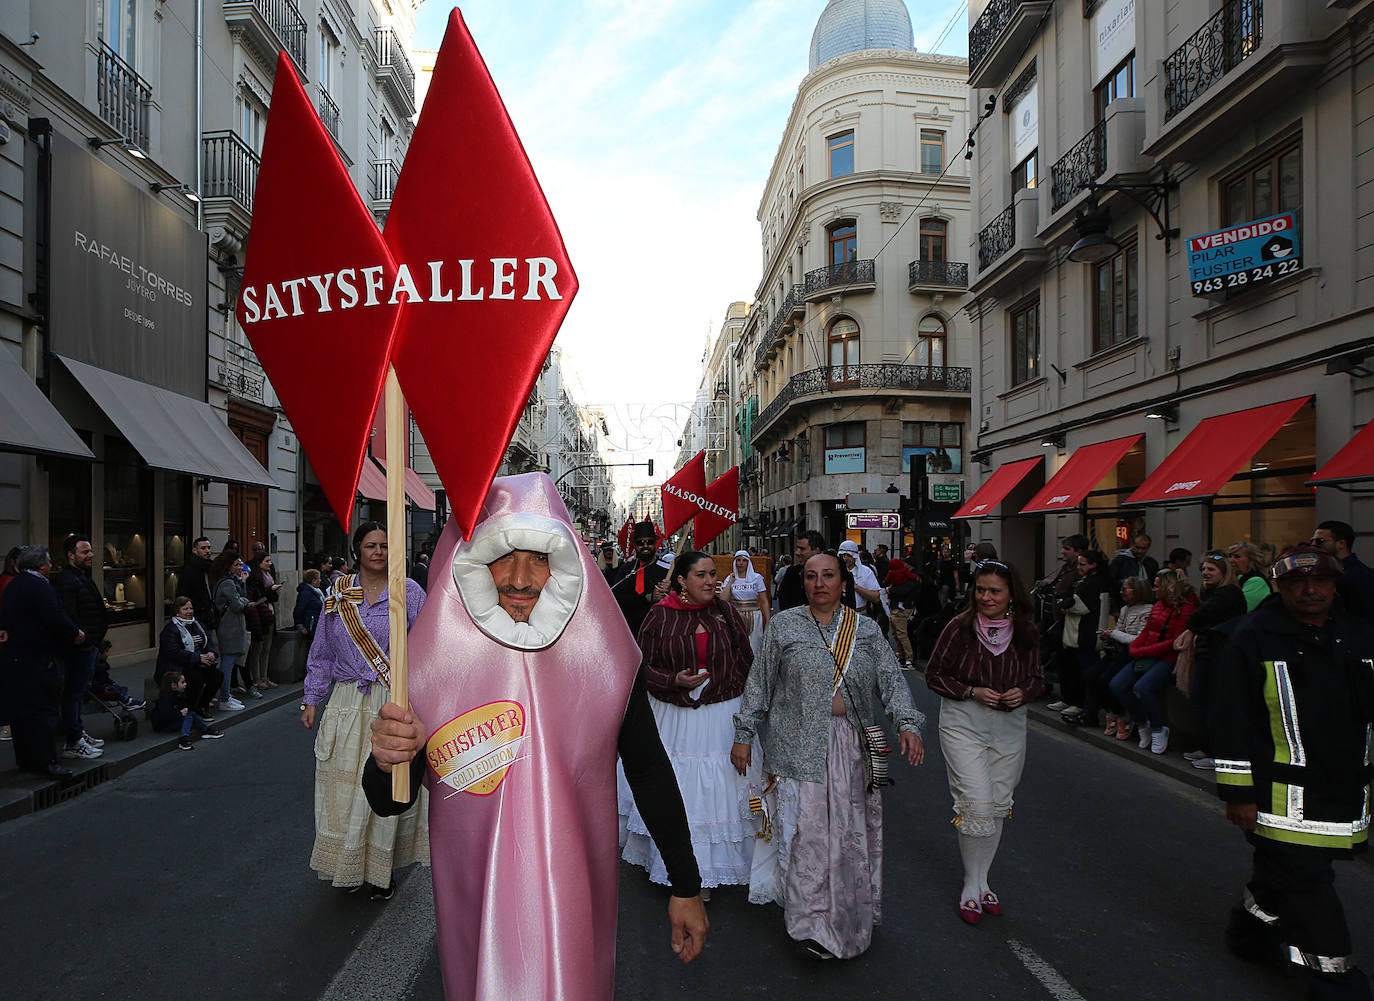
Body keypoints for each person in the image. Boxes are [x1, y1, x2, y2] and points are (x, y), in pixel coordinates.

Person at [364, 473, 707, 1001]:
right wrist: (387, 761)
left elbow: (646, 766)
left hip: (573, 899)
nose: (522, 579)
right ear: (473, 560)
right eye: (505, 556)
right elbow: (389, 800)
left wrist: (685, 885)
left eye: (540, 558)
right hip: (477, 907)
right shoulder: (427, 663)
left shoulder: (608, 657)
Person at [731, 551, 925, 960]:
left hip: (850, 750)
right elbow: (760, 683)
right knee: (806, 838)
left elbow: (890, 681)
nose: (820, 583)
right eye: (812, 576)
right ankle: (807, 925)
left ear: (843, 581)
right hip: (797, 746)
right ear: (803, 583)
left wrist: (907, 723)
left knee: (847, 839)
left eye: (829, 576)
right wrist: (745, 733)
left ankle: (848, 920)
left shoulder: (866, 631)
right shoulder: (785, 626)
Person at [1212, 545, 1373, 1001]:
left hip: (1343, 794)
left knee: (1279, 880)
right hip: (1281, 799)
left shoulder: (1358, 635)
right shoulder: (1252, 637)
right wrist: (1237, 793)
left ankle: (1249, 934)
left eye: (1321, 581)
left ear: (1334, 585)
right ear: (1280, 587)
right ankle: (1336, 982)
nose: (1310, 590)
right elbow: (1231, 720)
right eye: (1298, 582)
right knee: (1309, 888)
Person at [302, 520, 428, 898]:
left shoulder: (409, 592)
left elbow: (426, 648)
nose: (378, 551)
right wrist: (311, 698)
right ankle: (346, 863)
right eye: (371, 545)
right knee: (343, 792)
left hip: (390, 701)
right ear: (358, 549)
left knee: (382, 787)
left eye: (386, 545)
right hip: (344, 703)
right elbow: (321, 651)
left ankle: (380, 870)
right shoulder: (338, 594)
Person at [621, 550, 756, 893]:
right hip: (675, 719)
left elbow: (747, 661)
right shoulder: (659, 616)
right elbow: (640, 666)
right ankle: (684, 873)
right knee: (679, 789)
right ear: (681, 580)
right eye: (701, 575)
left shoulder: (726, 613)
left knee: (720, 792)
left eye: (713, 574)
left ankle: (716, 868)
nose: (711, 581)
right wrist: (673, 681)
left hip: (722, 715)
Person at [924, 558, 1043, 924]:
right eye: (981, 590)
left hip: (1009, 727)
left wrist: (1021, 693)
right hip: (964, 722)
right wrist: (972, 690)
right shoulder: (958, 629)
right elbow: (933, 674)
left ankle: (982, 879)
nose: (986, 597)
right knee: (976, 801)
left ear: (1011, 595)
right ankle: (970, 884)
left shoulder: (1027, 632)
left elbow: (1038, 679)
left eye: (995, 591)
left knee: (997, 805)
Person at [0, 547, 84, 776]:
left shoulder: (14, 584)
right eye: (48, 562)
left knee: (23, 713)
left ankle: (26, 760)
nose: (51, 566)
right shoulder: (40, 587)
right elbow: (55, 616)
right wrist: (75, 632)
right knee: (44, 712)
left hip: (16, 658)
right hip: (40, 659)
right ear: (41, 566)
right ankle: (46, 762)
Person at [1108, 569, 1199, 755]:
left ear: (1168, 587)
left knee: (1143, 687)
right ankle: (1142, 723)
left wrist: (1142, 650)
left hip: (1167, 657)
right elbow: (1146, 631)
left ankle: (1158, 729)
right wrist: (1136, 649)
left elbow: (1175, 641)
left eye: (1157, 586)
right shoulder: (1158, 605)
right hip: (1146, 654)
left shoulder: (1186, 608)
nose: (1154, 589)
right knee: (1117, 685)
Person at [1174, 552, 1247, 771]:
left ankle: (1217, 752)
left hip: (1221, 655)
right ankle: (1207, 748)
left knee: (1213, 704)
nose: (1205, 573)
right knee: (1201, 701)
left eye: (1211, 570)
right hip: (1209, 652)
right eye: (1204, 569)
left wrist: (1196, 625)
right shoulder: (1214, 593)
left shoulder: (1228, 594)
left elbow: (1196, 617)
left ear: (1224, 573)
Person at [53, 534, 108, 761]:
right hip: (79, 648)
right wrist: (83, 639)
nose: (90, 555)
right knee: (73, 694)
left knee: (78, 693)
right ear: (70, 555)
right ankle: (73, 741)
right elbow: (69, 615)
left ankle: (78, 733)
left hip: (89, 645)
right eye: (85, 552)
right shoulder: (68, 580)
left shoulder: (81, 577)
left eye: (90, 551)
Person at [1087, 577, 1154, 738]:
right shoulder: (1125, 609)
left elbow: (1137, 639)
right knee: (1090, 675)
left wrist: (1114, 634)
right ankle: (1109, 712)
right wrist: (1108, 636)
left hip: (1131, 654)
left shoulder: (1148, 610)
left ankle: (1121, 714)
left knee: (1107, 680)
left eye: (1125, 589)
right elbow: (1120, 631)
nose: (1121, 592)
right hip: (1117, 651)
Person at [1052, 549, 1110, 721]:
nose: (1079, 567)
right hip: (1081, 633)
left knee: (1087, 672)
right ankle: (1082, 705)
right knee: (1079, 670)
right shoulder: (1089, 580)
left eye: (1082, 564)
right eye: (1078, 564)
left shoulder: (1094, 582)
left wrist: (1067, 601)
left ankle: (1087, 709)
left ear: (1094, 565)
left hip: (1086, 633)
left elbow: (1082, 606)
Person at [155, 596, 223, 719]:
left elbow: (209, 642)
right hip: (177, 666)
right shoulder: (170, 629)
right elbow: (174, 653)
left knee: (217, 676)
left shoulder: (198, 624)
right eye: (185, 609)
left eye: (191, 608)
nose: (189, 611)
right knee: (196, 678)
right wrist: (198, 658)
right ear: (177, 611)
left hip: (197, 662)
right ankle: (191, 708)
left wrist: (211, 653)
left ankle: (202, 705)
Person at [609, 520, 669, 638]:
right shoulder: (626, 569)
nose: (645, 546)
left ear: (656, 543)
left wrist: (669, 591)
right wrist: (648, 597)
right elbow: (616, 598)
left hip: (659, 633)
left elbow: (681, 597)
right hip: (629, 632)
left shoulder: (667, 570)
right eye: (641, 543)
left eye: (649, 542)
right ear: (635, 545)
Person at [1312, 520, 1374, 619]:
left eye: (1320, 541)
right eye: (1312, 540)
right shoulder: (1327, 570)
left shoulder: (1360, 576)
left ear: (1341, 543)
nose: (1313, 545)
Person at [211, 554, 250, 712]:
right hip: (229, 627)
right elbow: (238, 604)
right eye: (237, 565)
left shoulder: (231, 581)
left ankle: (226, 695)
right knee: (227, 664)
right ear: (228, 566)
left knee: (229, 663)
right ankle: (224, 698)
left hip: (231, 626)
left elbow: (240, 598)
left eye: (241, 565)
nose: (240, 568)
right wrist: (245, 601)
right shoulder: (227, 583)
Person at [150, 670, 225, 750]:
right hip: (163, 725)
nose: (185, 684)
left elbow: (183, 707)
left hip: (172, 720)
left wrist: (184, 711)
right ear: (174, 685)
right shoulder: (166, 699)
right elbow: (165, 715)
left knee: (190, 714)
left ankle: (206, 730)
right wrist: (180, 713)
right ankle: (184, 738)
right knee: (188, 717)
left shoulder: (178, 695)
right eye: (182, 682)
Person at [721, 550, 771, 657]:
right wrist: (730, 582)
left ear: (748, 562)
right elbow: (723, 599)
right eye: (738, 560)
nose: (741, 563)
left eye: (744, 560)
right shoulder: (730, 579)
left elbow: (764, 600)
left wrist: (768, 620)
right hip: (736, 615)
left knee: (754, 644)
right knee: (737, 644)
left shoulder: (756, 578)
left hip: (754, 615)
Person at [245, 553, 281, 693]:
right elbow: (256, 596)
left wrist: (273, 591)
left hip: (268, 613)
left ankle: (265, 677)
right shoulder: (253, 578)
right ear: (259, 563)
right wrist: (269, 590)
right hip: (258, 616)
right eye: (267, 561)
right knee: (257, 649)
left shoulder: (269, 576)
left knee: (266, 648)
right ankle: (257, 678)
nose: (270, 564)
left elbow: (273, 598)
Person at [884, 556, 921, 670]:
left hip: (900, 608)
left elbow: (903, 591)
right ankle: (903, 657)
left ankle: (907, 659)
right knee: (897, 634)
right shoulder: (907, 576)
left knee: (901, 634)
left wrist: (890, 590)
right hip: (898, 606)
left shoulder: (909, 579)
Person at [776, 530, 826, 611]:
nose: (797, 552)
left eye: (802, 549)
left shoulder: (833, 574)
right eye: (797, 548)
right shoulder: (792, 573)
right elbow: (784, 603)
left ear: (816, 551)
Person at [1108, 533, 1160, 606]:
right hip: (1123, 602)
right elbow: (1111, 584)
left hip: (1146, 602)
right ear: (1131, 545)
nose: (1140, 551)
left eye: (1143, 548)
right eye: (1137, 547)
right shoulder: (1119, 561)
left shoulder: (1151, 563)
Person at [183, 536, 217, 630]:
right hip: (197, 616)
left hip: (211, 616)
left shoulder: (211, 567)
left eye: (209, 548)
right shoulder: (190, 570)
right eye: (203, 548)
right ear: (195, 550)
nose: (207, 551)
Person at [837, 539, 881, 613]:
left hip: (860, 614)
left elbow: (876, 598)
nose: (845, 558)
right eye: (843, 555)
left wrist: (856, 587)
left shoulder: (866, 572)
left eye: (849, 555)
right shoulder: (834, 572)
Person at [1228, 542, 1273, 611]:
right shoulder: (1239, 578)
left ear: (1252, 561)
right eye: (1230, 556)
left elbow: (1238, 610)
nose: (1230, 560)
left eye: (1237, 557)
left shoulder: (1257, 582)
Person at [294, 568, 325, 639]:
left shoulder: (315, 592)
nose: (320, 580)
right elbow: (299, 609)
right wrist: (300, 625)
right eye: (318, 578)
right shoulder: (306, 593)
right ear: (313, 580)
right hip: (310, 627)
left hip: (316, 626)